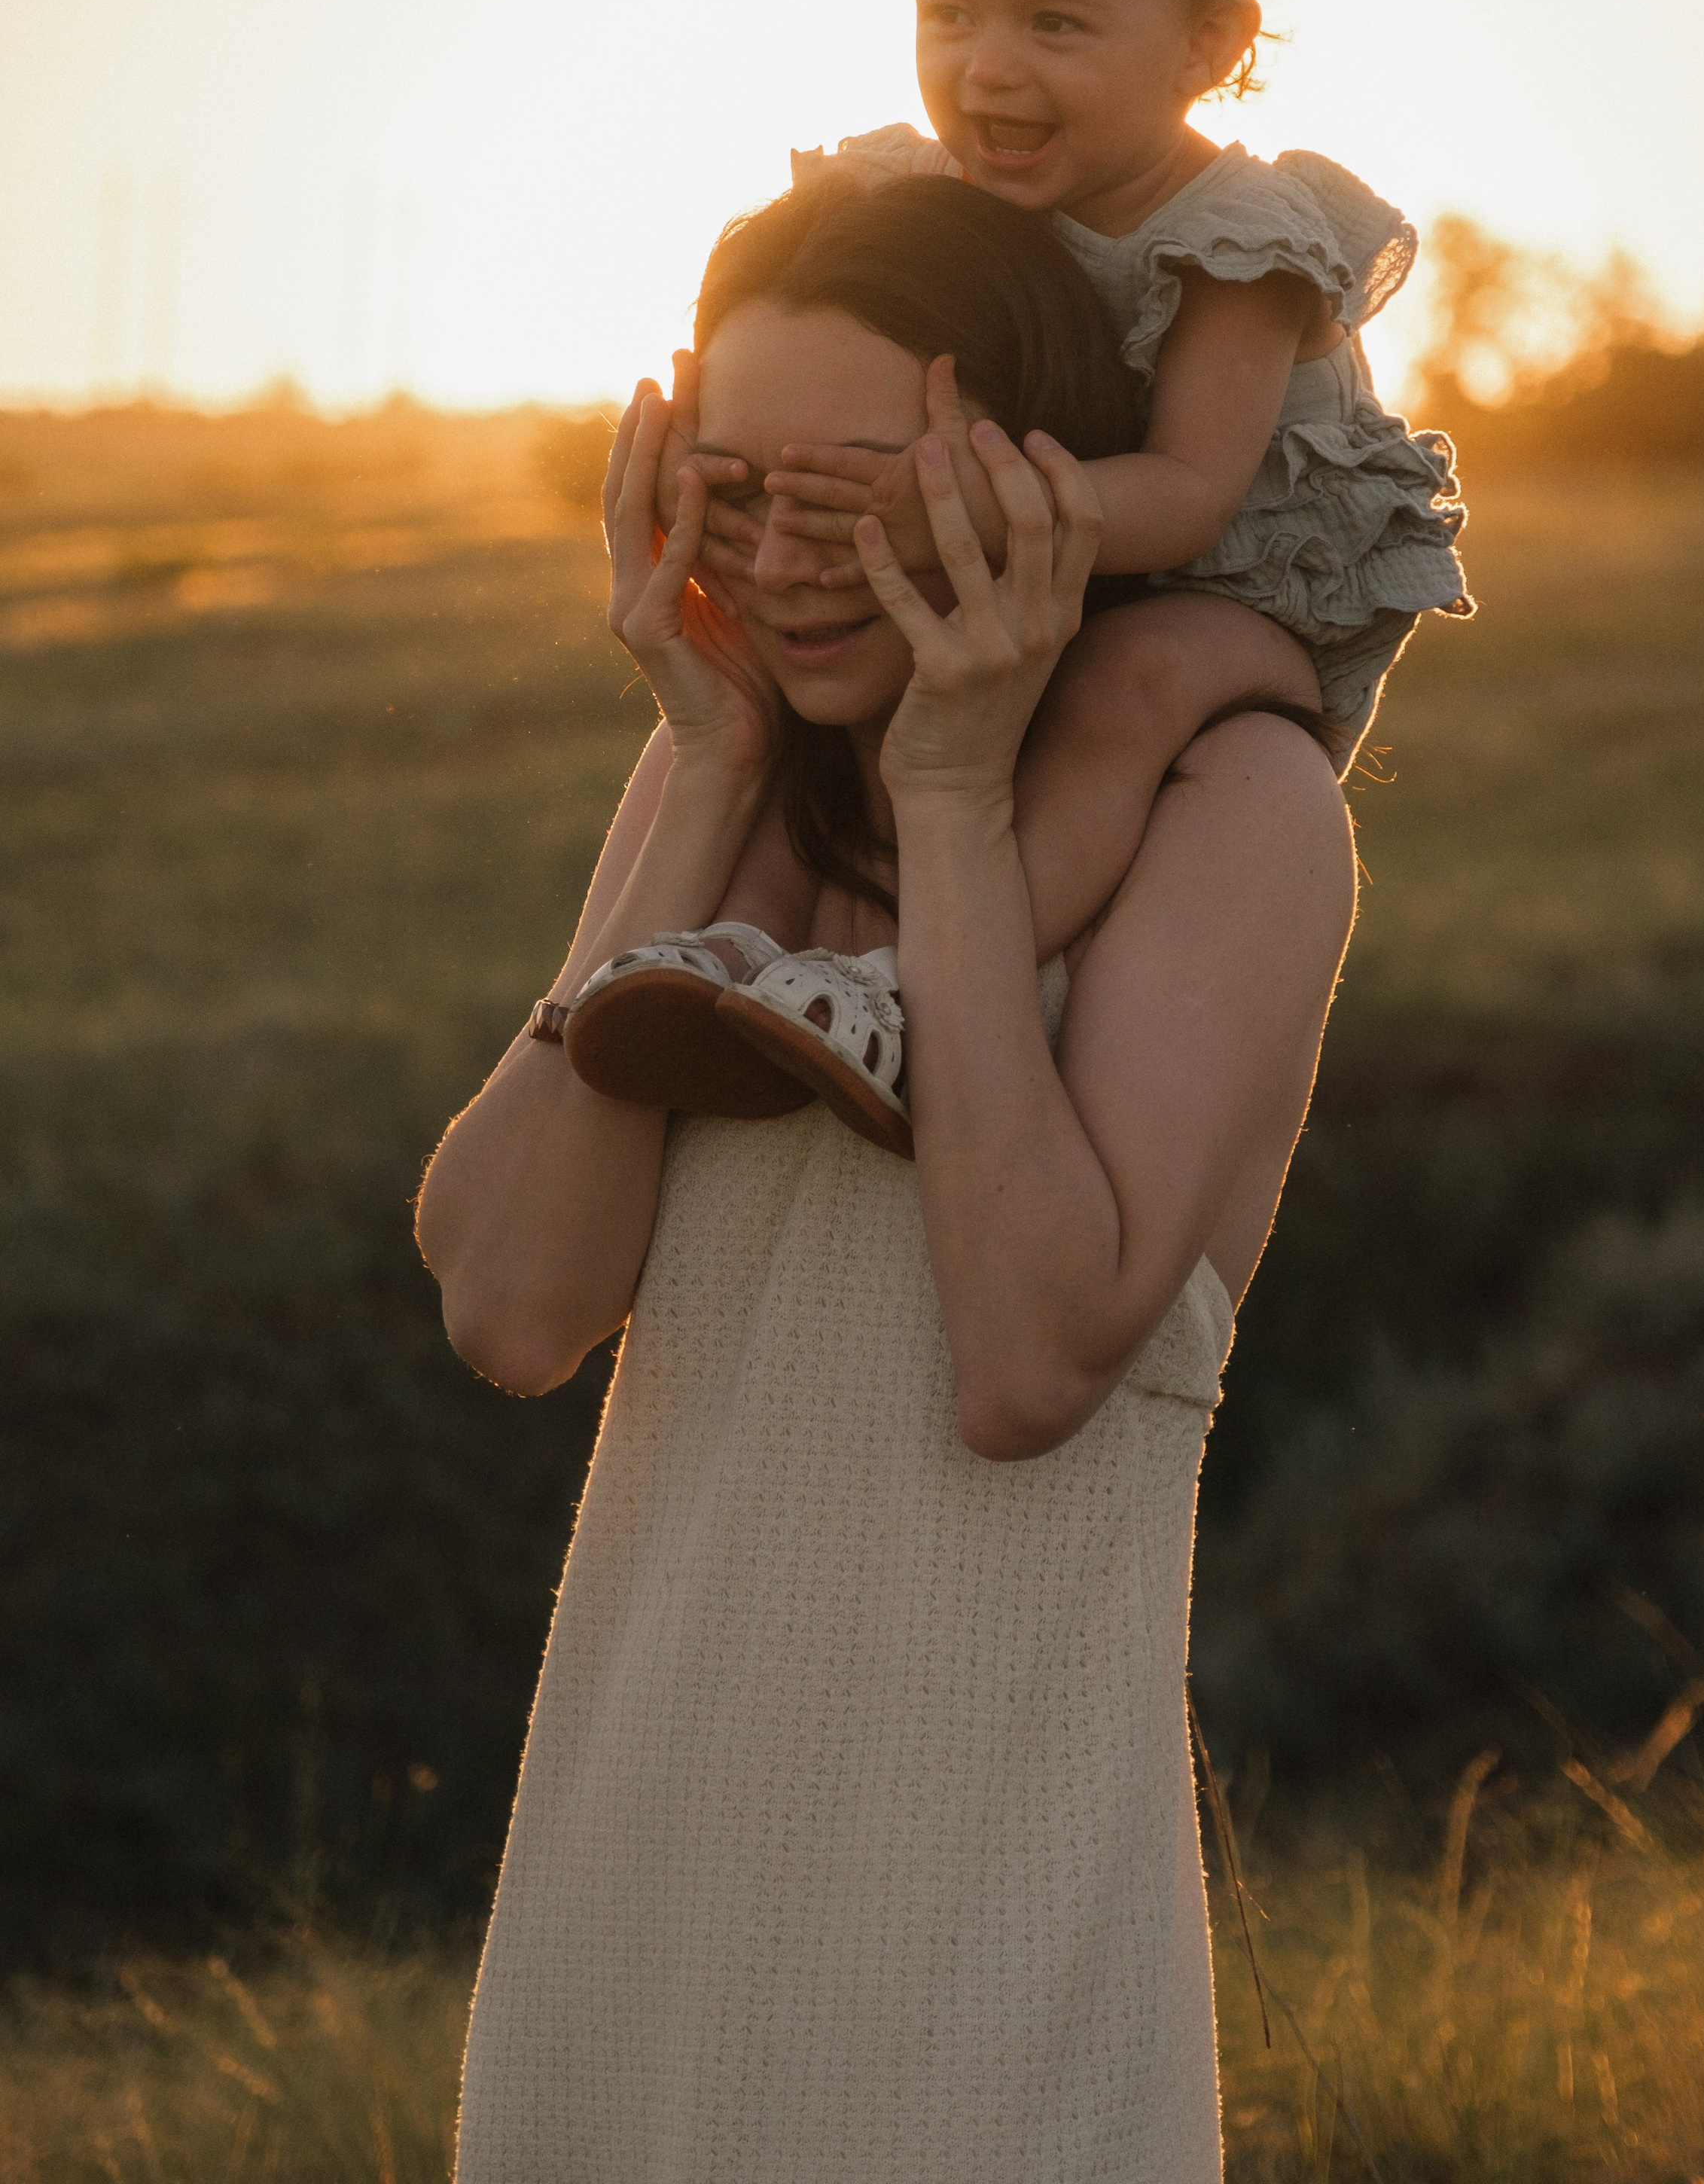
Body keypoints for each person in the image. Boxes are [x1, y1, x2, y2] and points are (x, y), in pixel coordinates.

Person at [419, 173, 1357, 2182]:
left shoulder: (1233, 802)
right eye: (725, 490)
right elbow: (510, 1304)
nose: (779, 558)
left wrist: (946, 798)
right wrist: (718, 768)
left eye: (852, 495)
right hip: (619, 1933)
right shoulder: (721, 780)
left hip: (984, 1977)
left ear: (1032, 472)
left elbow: (1024, 1366)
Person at [572, 0, 1468, 1145]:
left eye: (1055, 25)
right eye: (952, 12)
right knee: (813, 723)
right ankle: (724, 956)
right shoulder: (932, 192)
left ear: (1210, 45)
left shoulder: (1240, 243)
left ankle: (909, 993)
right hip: (1050, 549)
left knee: (1115, 695)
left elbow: (1182, 496)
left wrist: (962, 508)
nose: (988, 71)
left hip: (1241, 589)